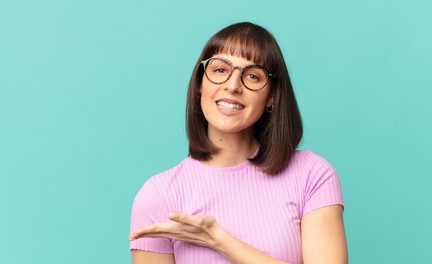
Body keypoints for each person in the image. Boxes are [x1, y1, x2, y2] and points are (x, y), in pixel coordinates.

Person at [129, 22, 348, 264]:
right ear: (201, 83)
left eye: (252, 76)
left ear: (272, 96)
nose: (233, 86)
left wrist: (219, 239)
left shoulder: (312, 175)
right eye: (220, 70)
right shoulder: (159, 195)